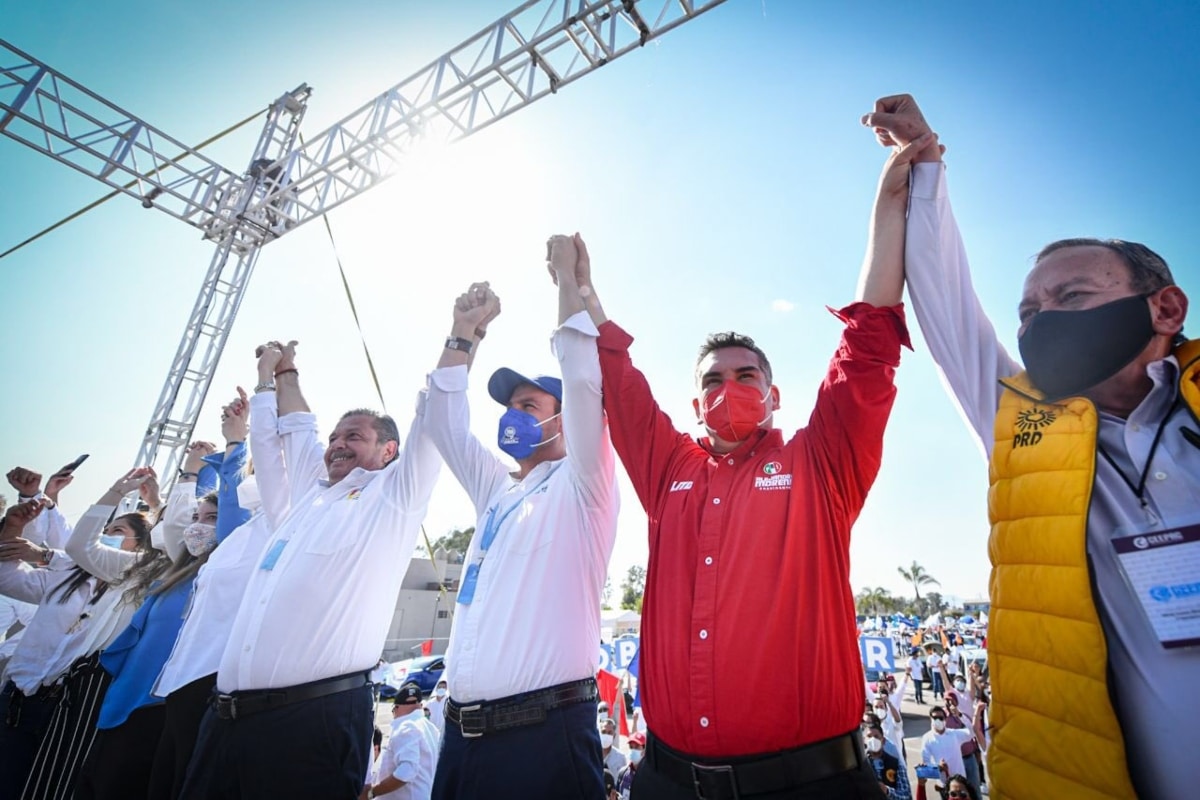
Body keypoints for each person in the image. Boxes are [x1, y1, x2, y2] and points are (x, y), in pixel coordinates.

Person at [576, 125, 933, 798]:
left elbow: (869, 345)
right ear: (694, 401)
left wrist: (888, 205)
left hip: (809, 787)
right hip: (667, 781)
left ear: (774, 395)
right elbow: (619, 382)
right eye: (713, 379)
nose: (728, 388)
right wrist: (585, 295)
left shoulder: (821, 464)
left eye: (745, 376)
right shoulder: (667, 473)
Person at [865, 92, 1200, 798]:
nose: (1041, 322)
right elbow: (948, 306)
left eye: (1071, 297)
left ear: (1165, 309)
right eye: (1028, 313)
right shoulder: (1025, 430)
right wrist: (925, 170)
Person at [179, 340, 442, 800]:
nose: (337, 445)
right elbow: (299, 428)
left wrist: (460, 338)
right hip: (225, 721)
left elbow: (436, 424)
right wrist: (282, 373)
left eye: (354, 437)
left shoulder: (393, 499)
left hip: (310, 723)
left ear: (388, 451)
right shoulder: (309, 495)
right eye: (336, 438)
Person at [425, 258, 619, 800]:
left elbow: (584, 379)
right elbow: (443, 424)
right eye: (510, 406)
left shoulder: (584, 484)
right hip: (462, 741)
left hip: (542, 738)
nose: (513, 415)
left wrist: (565, 284)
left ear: (563, 420)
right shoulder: (497, 489)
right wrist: (465, 334)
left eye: (529, 405)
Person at [148, 387, 282, 799]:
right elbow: (215, 503)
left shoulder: (270, 520)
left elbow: (230, 507)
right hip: (179, 681)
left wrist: (238, 439)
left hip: (210, 681)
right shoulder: (238, 525)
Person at [365, 685, 439, 800]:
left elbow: (407, 771)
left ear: (397, 708)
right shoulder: (431, 728)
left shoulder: (406, 727)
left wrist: (372, 792)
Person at [919, 708, 975, 792]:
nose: (937, 720)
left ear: (945, 719)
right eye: (935, 718)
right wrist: (939, 768)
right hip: (943, 786)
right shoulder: (927, 738)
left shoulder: (954, 734)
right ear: (930, 719)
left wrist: (960, 716)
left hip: (960, 783)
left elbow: (972, 732)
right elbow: (926, 764)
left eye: (940, 718)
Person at [863, 723, 911, 800]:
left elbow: (906, 795)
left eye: (876, 737)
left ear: (883, 740)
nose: (873, 740)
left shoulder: (895, 764)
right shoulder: (861, 766)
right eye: (869, 736)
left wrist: (888, 791)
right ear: (864, 741)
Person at [615, 732, 645, 799]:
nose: (633, 750)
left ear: (645, 749)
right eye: (631, 747)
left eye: (637, 747)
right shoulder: (623, 773)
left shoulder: (651, 776)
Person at [600, 716, 627, 781]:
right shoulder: (591, 755)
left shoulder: (620, 758)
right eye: (603, 732)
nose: (606, 735)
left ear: (614, 736)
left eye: (609, 733)